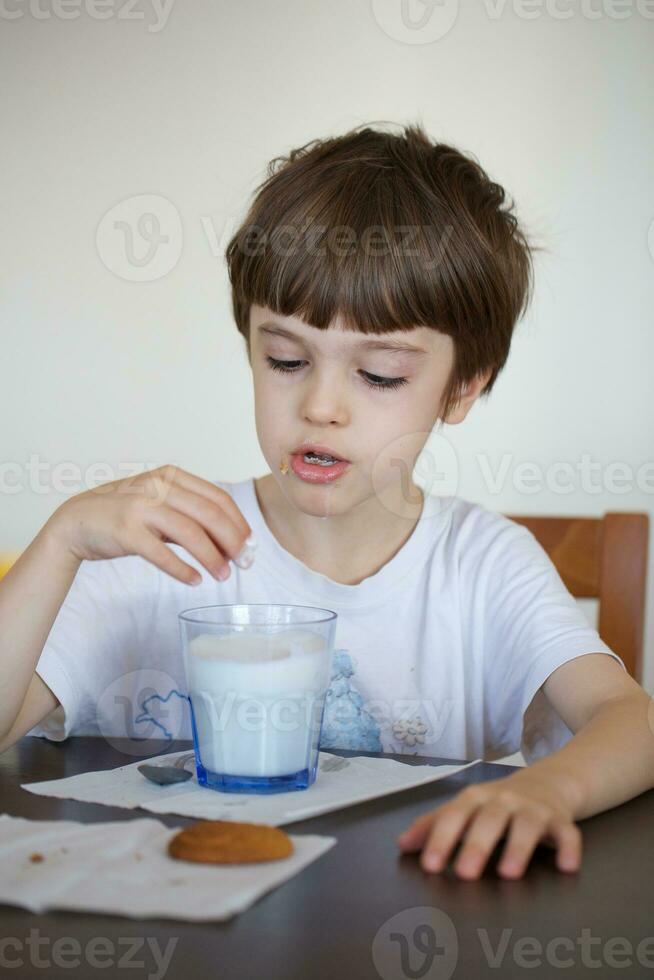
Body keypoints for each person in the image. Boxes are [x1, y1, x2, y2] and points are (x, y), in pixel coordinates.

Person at [1, 123, 651, 882]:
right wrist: (60, 544)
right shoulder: (156, 551)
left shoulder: (481, 566)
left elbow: (633, 722)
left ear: (463, 387)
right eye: (285, 359)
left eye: (378, 375)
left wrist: (545, 789)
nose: (321, 407)